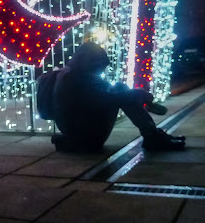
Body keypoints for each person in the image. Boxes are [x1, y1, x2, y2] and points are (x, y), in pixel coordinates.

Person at [48, 41, 185, 152]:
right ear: (89, 62)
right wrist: (138, 94)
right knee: (123, 94)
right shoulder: (73, 79)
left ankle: (152, 135)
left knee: (121, 90)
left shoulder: (76, 74)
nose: (101, 71)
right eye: (99, 67)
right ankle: (152, 135)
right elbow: (103, 99)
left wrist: (132, 94)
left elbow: (101, 96)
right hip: (84, 136)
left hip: (83, 128)